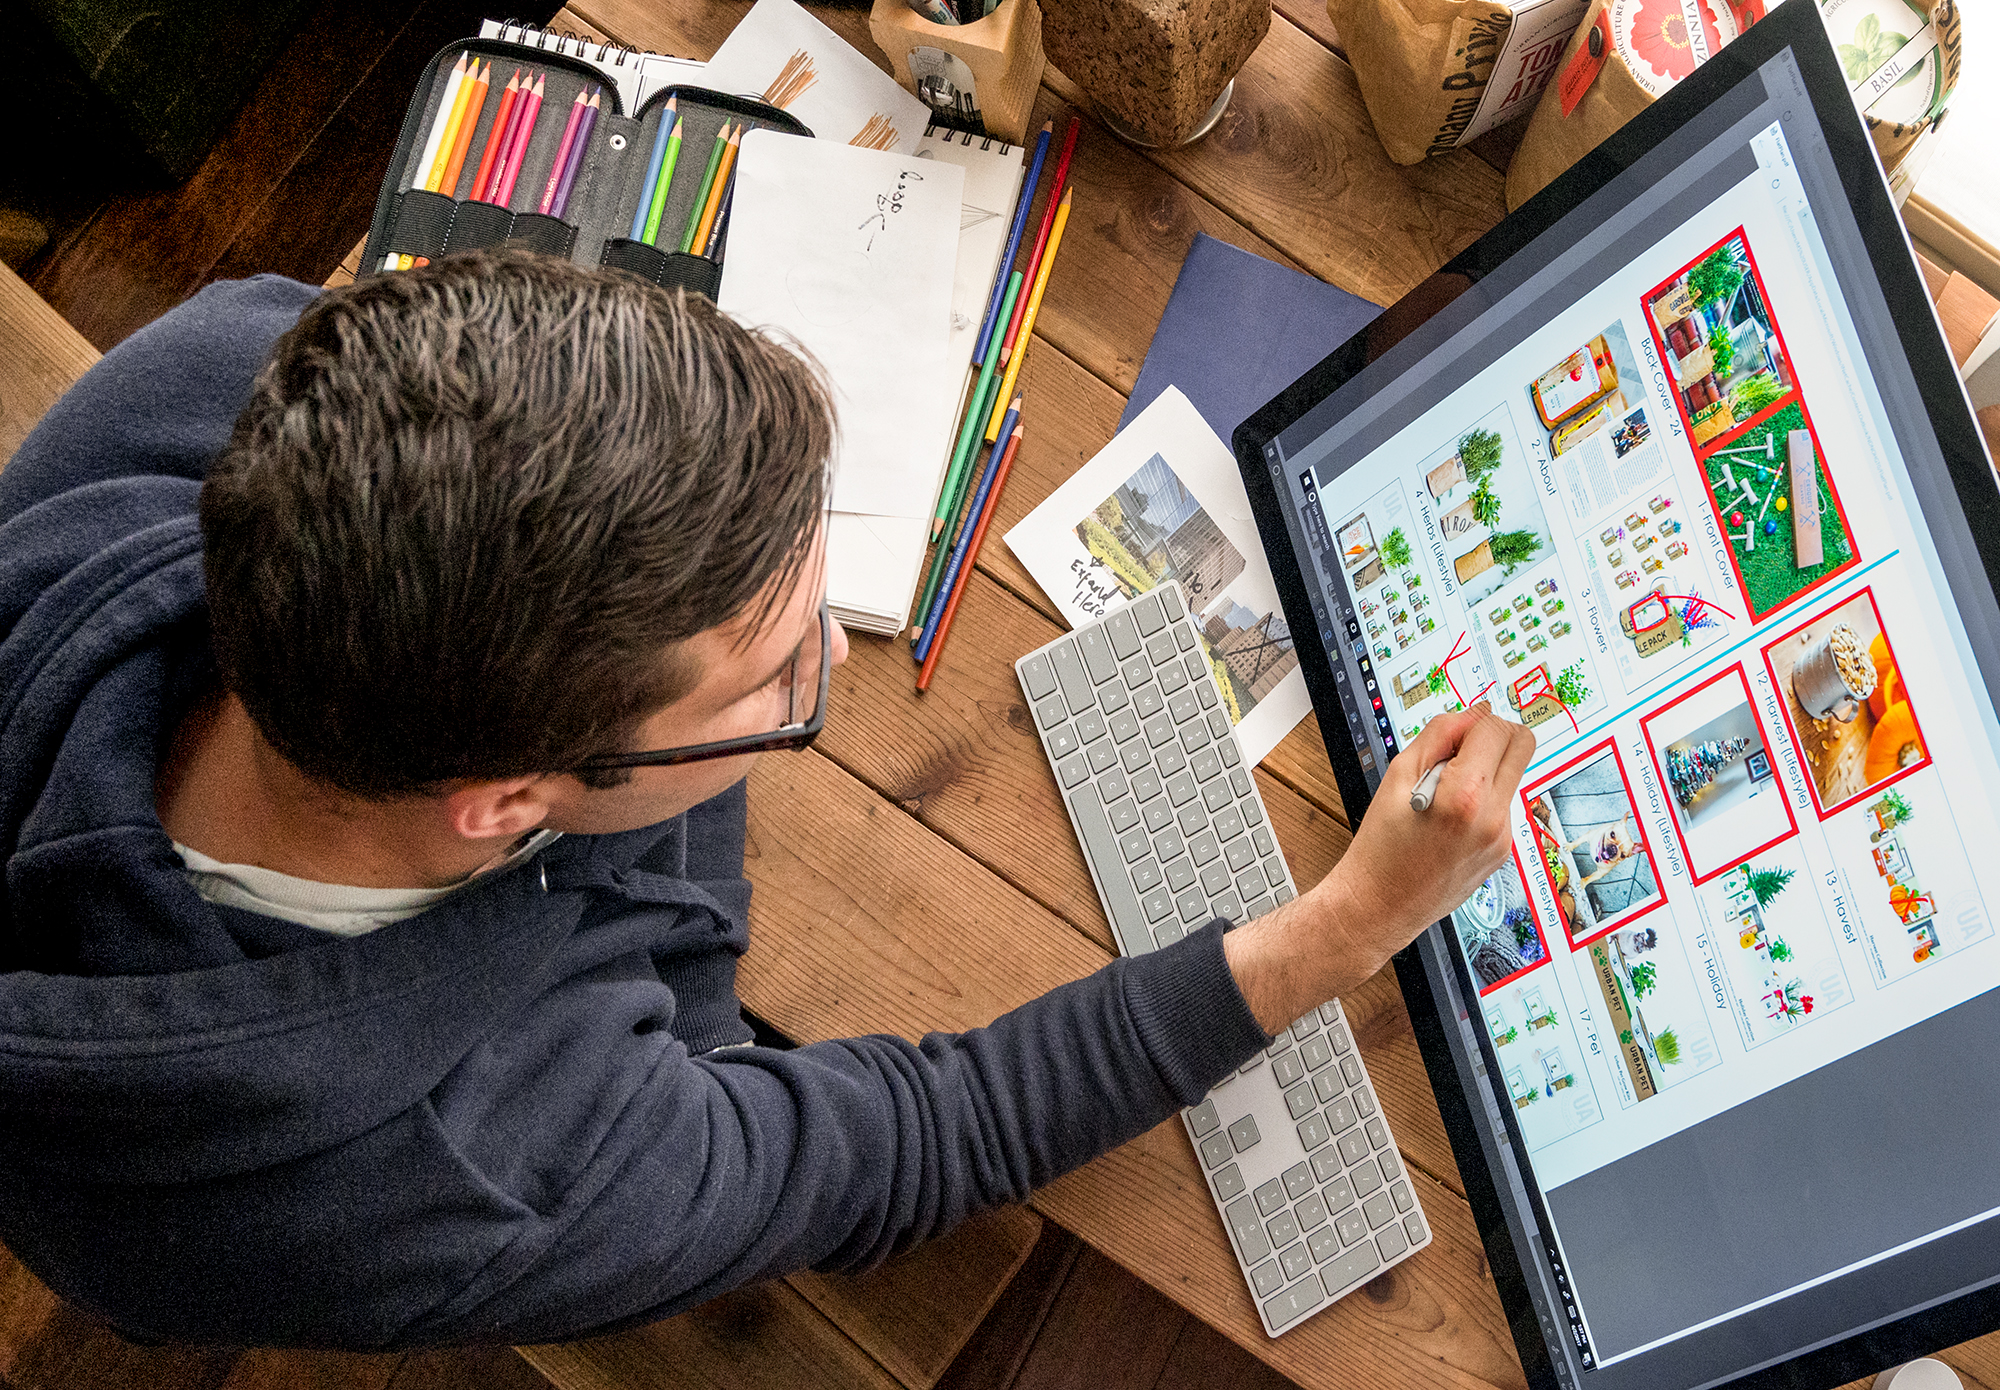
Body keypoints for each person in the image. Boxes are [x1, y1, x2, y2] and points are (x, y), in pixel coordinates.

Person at [0, 251, 1533, 1349]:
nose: (833, 666)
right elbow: (920, 1136)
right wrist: (1346, 925)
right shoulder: (500, 1172)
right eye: (775, 672)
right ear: (507, 802)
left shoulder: (237, 364)